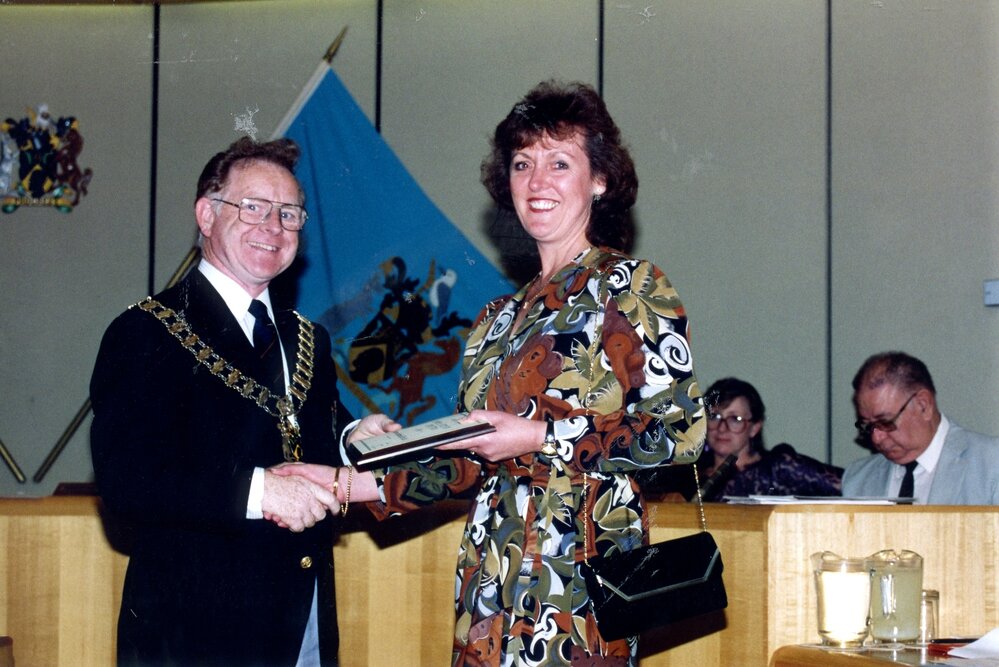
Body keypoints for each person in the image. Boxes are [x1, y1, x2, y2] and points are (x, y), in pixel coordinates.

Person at [274, 80, 706, 666]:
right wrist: (342, 484)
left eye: (559, 163)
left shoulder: (630, 286)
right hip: (490, 583)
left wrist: (538, 437)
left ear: (600, 180)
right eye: (523, 164)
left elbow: (681, 432)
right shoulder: (494, 319)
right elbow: (466, 462)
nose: (537, 181)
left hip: (580, 588)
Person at [90, 137, 397, 666]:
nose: (273, 226)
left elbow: (304, 431)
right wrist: (260, 492)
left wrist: (354, 437)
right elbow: (127, 478)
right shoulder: (145, 331)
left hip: (302, 622)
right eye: (253, 207)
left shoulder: (307, 337)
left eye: (289, 214)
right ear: (206, 215)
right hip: (194, 632)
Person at [644, 377, 841, 501]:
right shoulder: (684, 473)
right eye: (715, 417)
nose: (722, 428)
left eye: (735, 419)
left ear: (755, 427)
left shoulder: (778, 468)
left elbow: (850, 484)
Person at [842, 351, 999, 503]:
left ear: (923, 405)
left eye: (886, 422)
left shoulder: (992, 464)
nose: (876, 438)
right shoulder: (857, 479)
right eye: (868, 425)